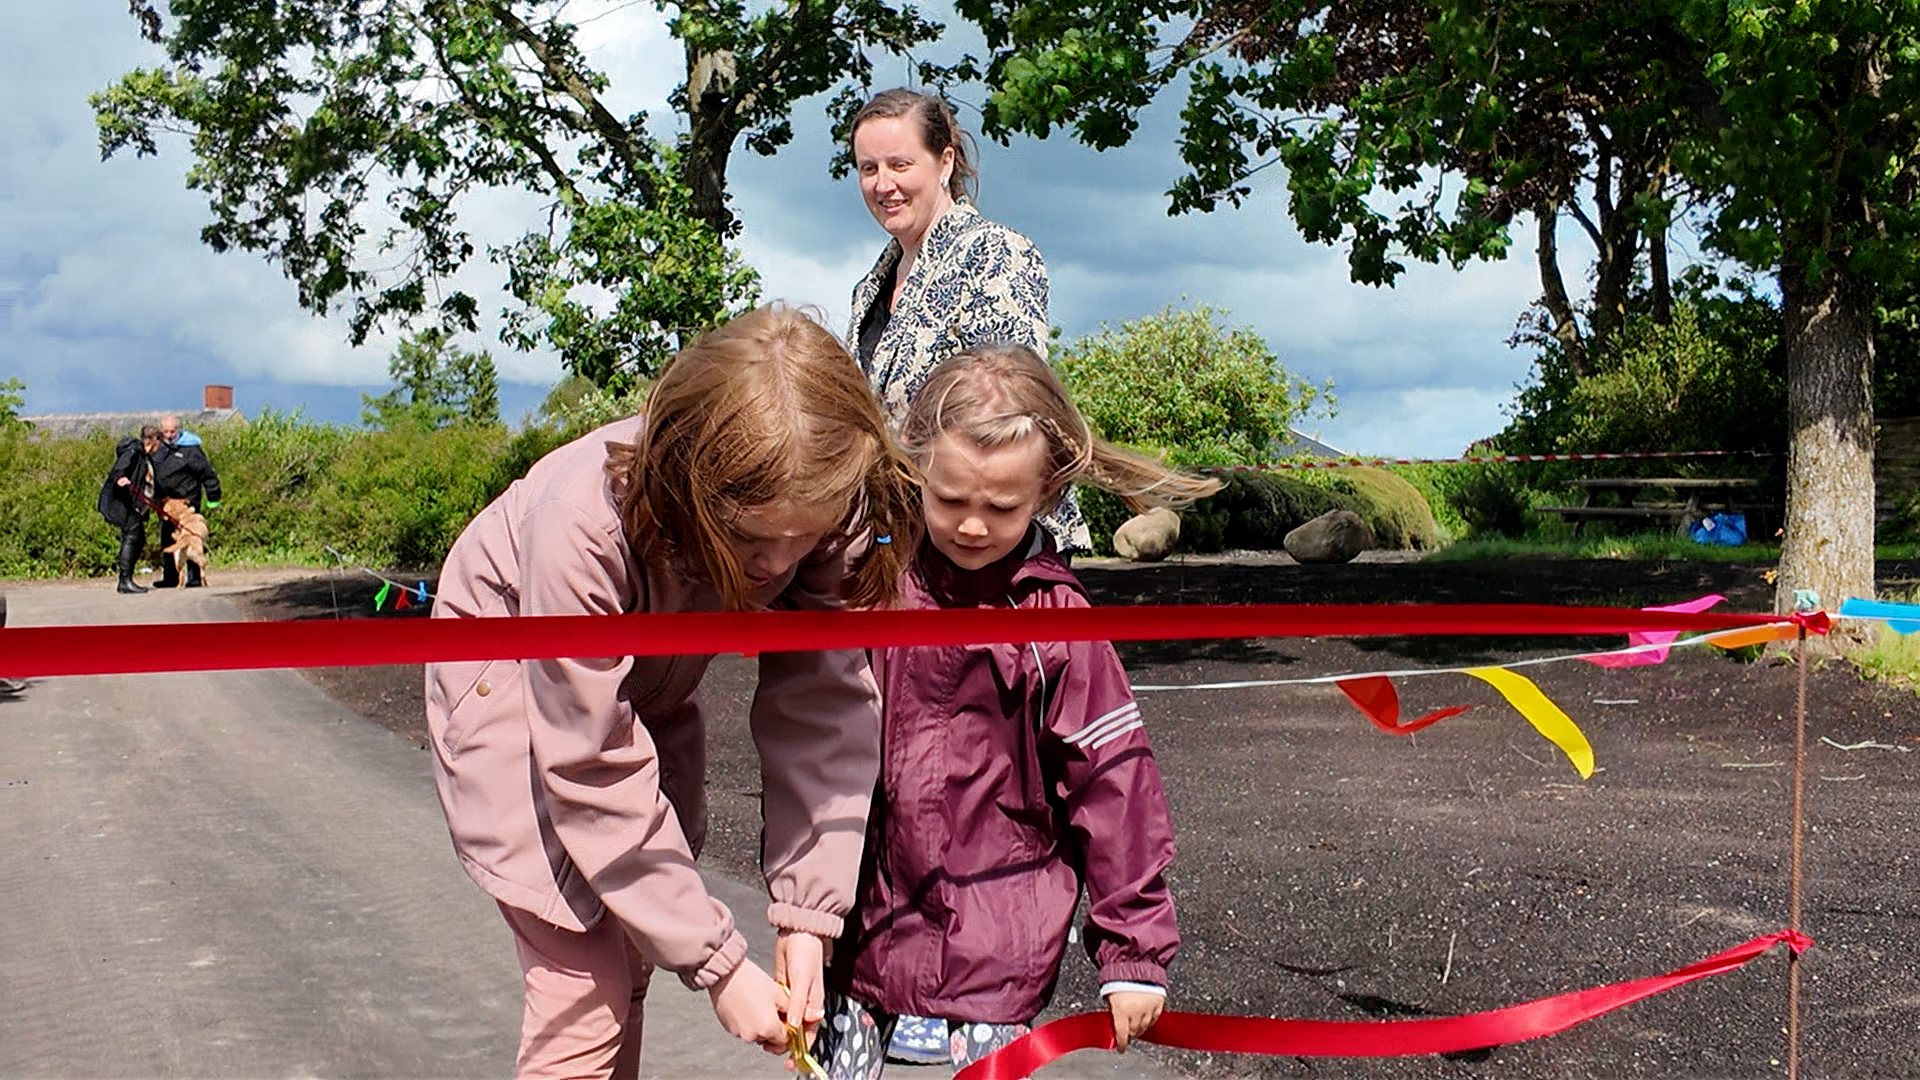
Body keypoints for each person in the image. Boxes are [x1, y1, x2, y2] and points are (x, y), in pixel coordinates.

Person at [423, 306, 922, 1080]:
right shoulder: (580, 524)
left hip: (643, 691)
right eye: (751, 539)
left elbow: (824, 703)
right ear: (690, 483)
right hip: (513, 683)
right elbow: (588, 762)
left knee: (632, 948)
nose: (777, 564)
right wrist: (718, 963)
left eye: (803, 538)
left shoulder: (825, 490)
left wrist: (807, 915)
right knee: (582, 983)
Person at [816, 344, 1221, 1078]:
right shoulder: (877, 580)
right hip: (864, 928)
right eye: (950, 500)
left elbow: (1115, 782)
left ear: (1046, 493)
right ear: (916, 471)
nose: (972, 526)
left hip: (995, 947)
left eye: (1001, 507)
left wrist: (1133, 952)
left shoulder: (1056, 623)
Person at [844, 87, 1093, 562]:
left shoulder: (995, 253)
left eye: (900, 165)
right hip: (914, 547)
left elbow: (1011, 413)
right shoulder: (868, 290)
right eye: (868, 168)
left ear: (945, 162)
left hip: (996, 548)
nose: (883, 184)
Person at [151, 413, 222, 588]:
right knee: (168, 539)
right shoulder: (158, 449)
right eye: (165, 432)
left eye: (172, 431)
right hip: (166, 505)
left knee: (191, 538)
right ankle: (171, 577)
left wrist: (213, 499)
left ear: (179, 430)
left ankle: (195, 577)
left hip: (188, 502)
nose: (169, 435)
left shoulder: (191, 450)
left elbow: (208, 475)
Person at [98, 424, 163, 595]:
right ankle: (124, 581)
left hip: (129, 502)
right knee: (133, 534)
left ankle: (126, 579)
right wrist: (121, 478)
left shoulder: (144, 456)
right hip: (119, 501)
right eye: (159, 442)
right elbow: (119, 468)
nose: (160, 447)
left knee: (138, 537)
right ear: (154, 440)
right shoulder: (133, 451)